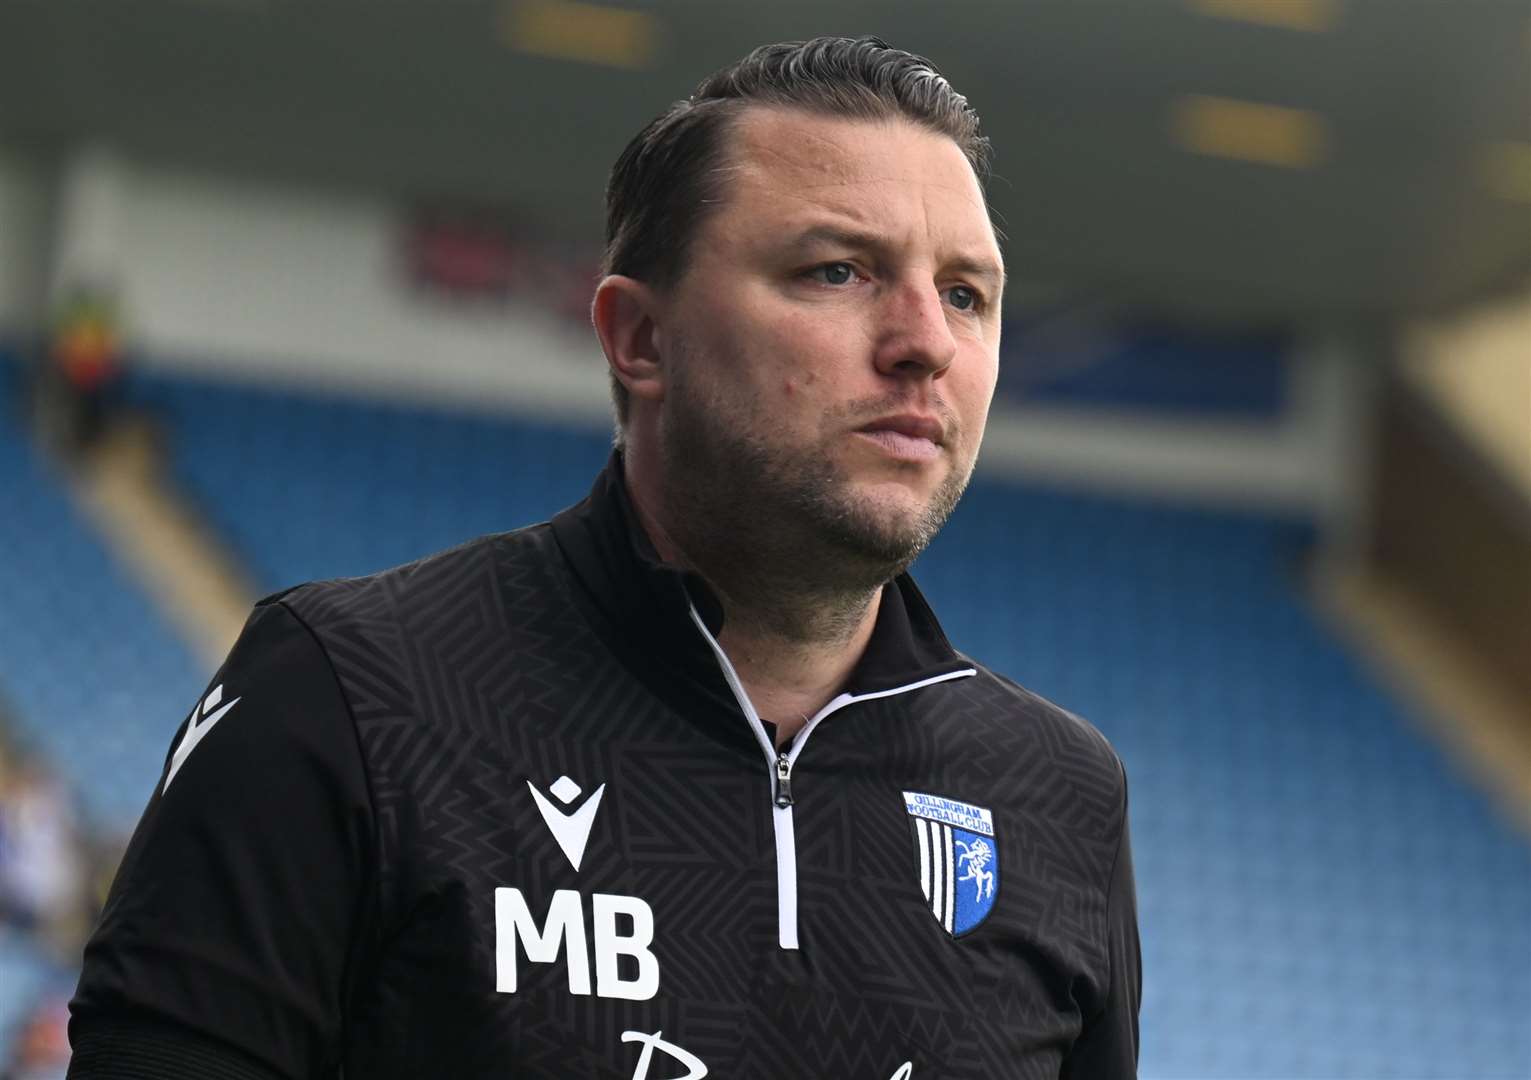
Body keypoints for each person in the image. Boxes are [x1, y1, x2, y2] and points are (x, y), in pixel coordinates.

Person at [67, 37, 1139, 1079]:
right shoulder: (349, 693)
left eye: (966, 294)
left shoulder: (1057, 796)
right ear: (638, 339)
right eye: (838, 270)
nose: (926, 342)